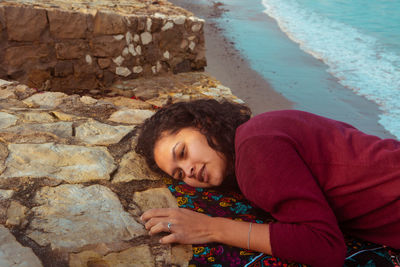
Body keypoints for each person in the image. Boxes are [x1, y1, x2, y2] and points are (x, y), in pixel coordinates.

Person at [135, 99, 400, 267]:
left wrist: (210, 228)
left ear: (204, 123)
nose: (189, 170)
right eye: (179, 174)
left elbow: (326, 247)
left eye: (182, 152)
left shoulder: (255, 148)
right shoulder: (262, 128)